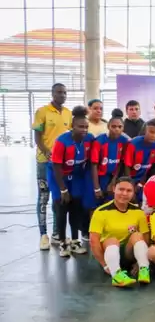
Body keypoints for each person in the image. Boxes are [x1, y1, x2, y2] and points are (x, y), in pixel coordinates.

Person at [48, 107, 94, 257]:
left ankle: (75, 241)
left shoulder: (89, 139)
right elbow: (56, 165)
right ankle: (62, 242)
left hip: (76, 176)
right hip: (58, 177)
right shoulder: (62, 141)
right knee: (61, 208)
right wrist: (62, 189)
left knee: (76, 207)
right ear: (72, 126)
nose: (84, 130)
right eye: (81, 126)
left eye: (86, 127)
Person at [88, 177, 151, 287]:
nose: (124, 193)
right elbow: (93, 241)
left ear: (133, 193)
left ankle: (143, 269)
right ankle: (116, 274)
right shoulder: (101, 212)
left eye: (129, 190)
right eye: (121, 189)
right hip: (108, 255)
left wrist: (139, 262)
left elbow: (145, 238)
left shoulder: (138, 212)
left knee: (137, 235)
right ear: (114, 189)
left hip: (128, 254)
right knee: (112, 240)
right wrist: (104, 265)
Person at [33, 83, 71, 250]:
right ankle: (43, 235)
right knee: (43, 197)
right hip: (44, 162)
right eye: (59, 92)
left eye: (64, 92)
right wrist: (48, 152)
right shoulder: (42, 112)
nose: (62, 95)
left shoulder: (68, 113)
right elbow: (38, 137)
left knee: (58, 198)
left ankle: (57, 234)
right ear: (52, 93)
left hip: (61, 165)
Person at [88, 109, 129, 208]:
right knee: (95, 204)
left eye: (120, 127)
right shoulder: (99, 141)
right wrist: (96, 187)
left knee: (110, 204)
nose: (117, 129)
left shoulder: (125, 141)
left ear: (123, 128)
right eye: (113, 126)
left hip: (113, 176)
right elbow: (93, 165)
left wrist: (113, 181)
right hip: (98, 177)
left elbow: (120, 162)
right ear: (108, 126)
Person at [124, 120, 155, 202]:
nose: (154, 135)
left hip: (143, 179)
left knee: (143, 202)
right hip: (130, 178)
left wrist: (141, 183)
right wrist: (130, 186)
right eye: (151, 132)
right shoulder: (134, 144)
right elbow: (127, 166)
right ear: (145, 131)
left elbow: (152, 167)